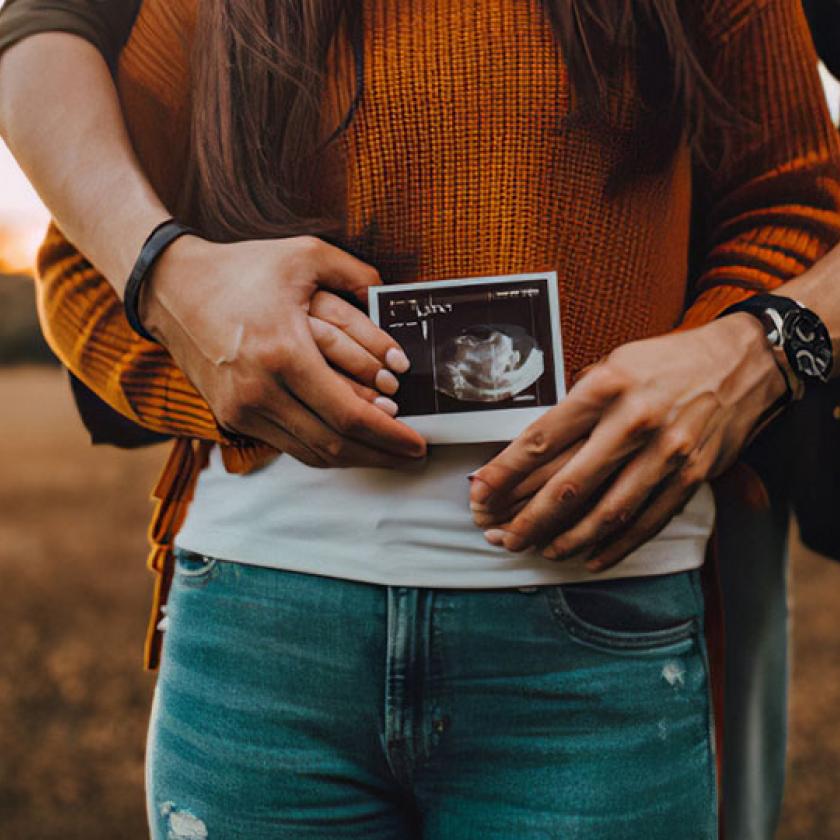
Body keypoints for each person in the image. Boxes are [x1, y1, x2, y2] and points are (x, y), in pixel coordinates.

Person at [1, 1, 839, 837]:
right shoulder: (202, 14)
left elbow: (792, 199)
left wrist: (730, 356)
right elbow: (86, 265)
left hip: (598, 628)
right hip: (261, 641)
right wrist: (219, 371)